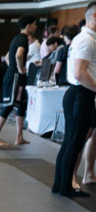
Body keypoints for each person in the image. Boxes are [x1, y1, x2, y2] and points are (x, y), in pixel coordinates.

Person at [53, 2, 96, 198]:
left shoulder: (84, 38)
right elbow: (80, 73)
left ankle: (60, 185)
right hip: (80, 94)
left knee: (70, 142)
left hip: (79, 94)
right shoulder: (87, 40)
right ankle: (64, 187)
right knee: (73, 143)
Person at [0, 16, 36, 147]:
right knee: (9, 105)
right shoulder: (23, 39)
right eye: (34, 24)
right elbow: (18, 55)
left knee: (22, 104)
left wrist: (15, 67)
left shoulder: (17, 38)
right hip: (15, 76)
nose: (35, 27)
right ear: (28, 26)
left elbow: (7, 58)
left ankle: (19, 137)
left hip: (16, 75)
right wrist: (20, 69)